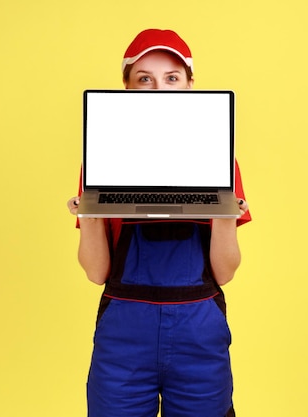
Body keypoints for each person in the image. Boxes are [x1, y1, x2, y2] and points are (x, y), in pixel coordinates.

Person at [67, 28, 251, 417]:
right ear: (126, 89)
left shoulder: (220, 161)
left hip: (198, 334)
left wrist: (224, 216)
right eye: (144, 80)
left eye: (171, 78)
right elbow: (97, 272)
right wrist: (90, 212)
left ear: (189, 86)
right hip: (123, 339)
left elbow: (225, 271)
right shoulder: (100, 162)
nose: (159, 89)